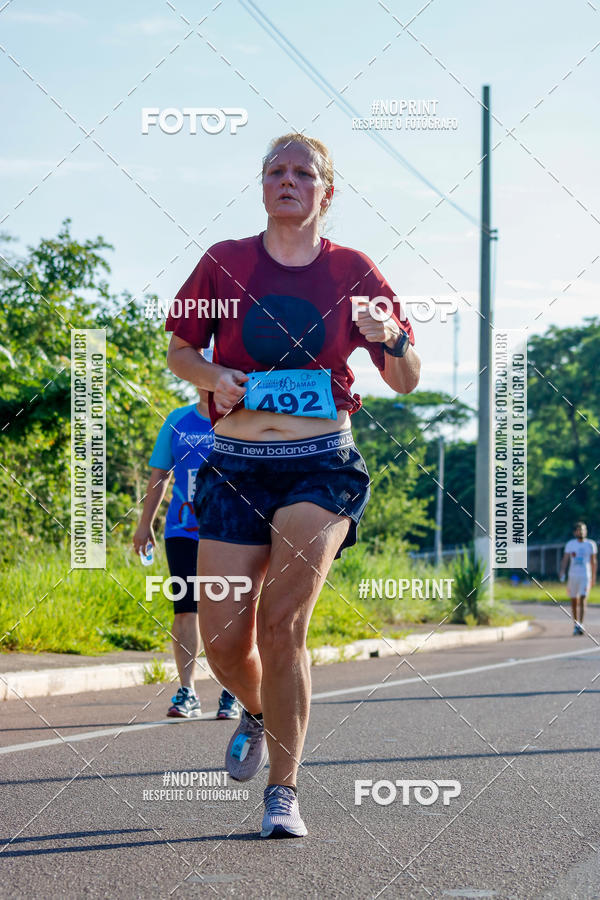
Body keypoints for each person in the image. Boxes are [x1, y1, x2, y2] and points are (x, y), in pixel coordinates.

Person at [165, 133, 420, 838]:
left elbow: (405, 378)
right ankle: (254, 708)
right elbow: (180, 350)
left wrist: (389, 337)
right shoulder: (224, 263)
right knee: (222, 641)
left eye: (302, 173)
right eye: (275, 171)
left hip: (319, 463)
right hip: (234, 464)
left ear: (326, 192)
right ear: (263, 186)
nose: (287, 181)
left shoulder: (353, 270)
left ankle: (284, 791)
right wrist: (213, 376)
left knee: (283, 625)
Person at [133, 384, 240, 720]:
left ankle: (233, 691)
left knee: (230, 609)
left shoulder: (242, 418)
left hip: (229, 531)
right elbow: (159, 475)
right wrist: (144, 523)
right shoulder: (178, 420)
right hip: (182, 529)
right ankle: (188, 691)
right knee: (185, 609)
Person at [559, 521, 597, 635]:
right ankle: (575, 624)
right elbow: (565, 559)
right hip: (573, 575)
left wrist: (594, 576)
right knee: (574, 601)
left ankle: (581, 623)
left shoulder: (590, 544)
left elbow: (593, 561)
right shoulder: (570, 544)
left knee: (583, 597)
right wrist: (562, 571)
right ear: (575, 532)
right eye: (579, 530)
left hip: (585, 575)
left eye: (584, 529)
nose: (582, 531)